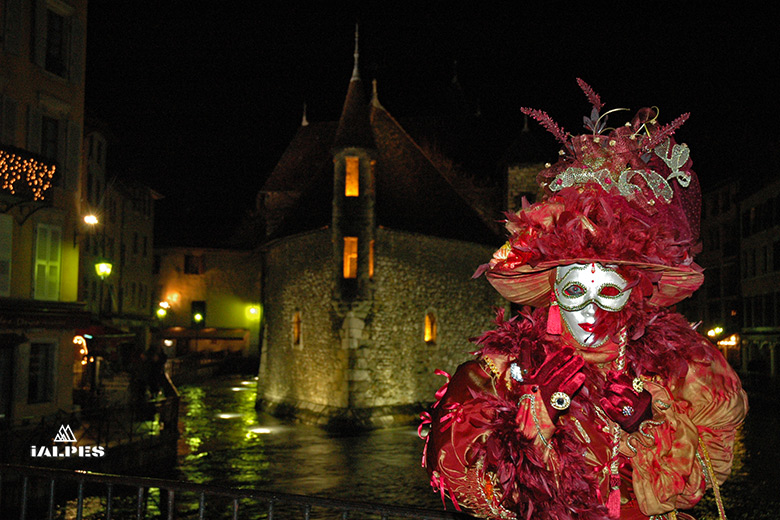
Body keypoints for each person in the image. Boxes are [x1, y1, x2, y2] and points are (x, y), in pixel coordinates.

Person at [420, 80, 747, 520]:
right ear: (554, 293)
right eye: (575, 289)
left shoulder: (679, 368)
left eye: (608, 290)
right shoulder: (506, 371)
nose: (591, 308)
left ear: (633, 293)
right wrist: (526, 442)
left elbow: (708, 468)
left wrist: (655, 427)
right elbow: (458, 478)